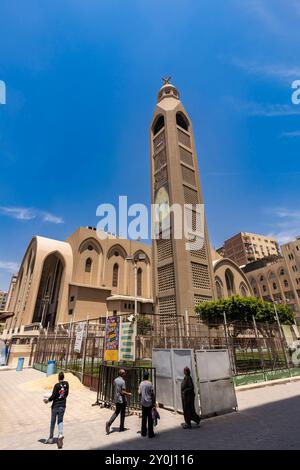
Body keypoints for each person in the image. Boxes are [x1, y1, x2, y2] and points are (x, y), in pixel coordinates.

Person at [44, 371, 69, 448]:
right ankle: (60, 434)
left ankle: (51, 438)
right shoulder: (67, 384)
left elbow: (53, 396)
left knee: (53, 422)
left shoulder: (56, 385)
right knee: (60, 421)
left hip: (55, 406)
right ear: (63, 377)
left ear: (58, 377)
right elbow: (66, 394)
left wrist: (47, 400)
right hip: (63, 406)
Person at [106, 369, 131, 434]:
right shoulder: (123, 382)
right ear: (122, 374)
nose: (125, 374)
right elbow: (122, 392)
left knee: (116, 412)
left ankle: (109, 423)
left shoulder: (115, 380)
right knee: (122, 413)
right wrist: (128, 394)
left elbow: (115, 388)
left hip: (116, 398)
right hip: (121, 400)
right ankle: (121, 427)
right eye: (124, 373)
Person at [138, 370, 155, 438]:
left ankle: (143, 432)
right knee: (150, 418)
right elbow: (152, 394)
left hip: (143, 403)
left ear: (143, 376)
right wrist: (153, 403)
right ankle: (150, 433)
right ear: (148, 376)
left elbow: (139, 393)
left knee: (144, 418)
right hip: (149, 403)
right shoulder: (150, 383)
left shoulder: (141, 383)